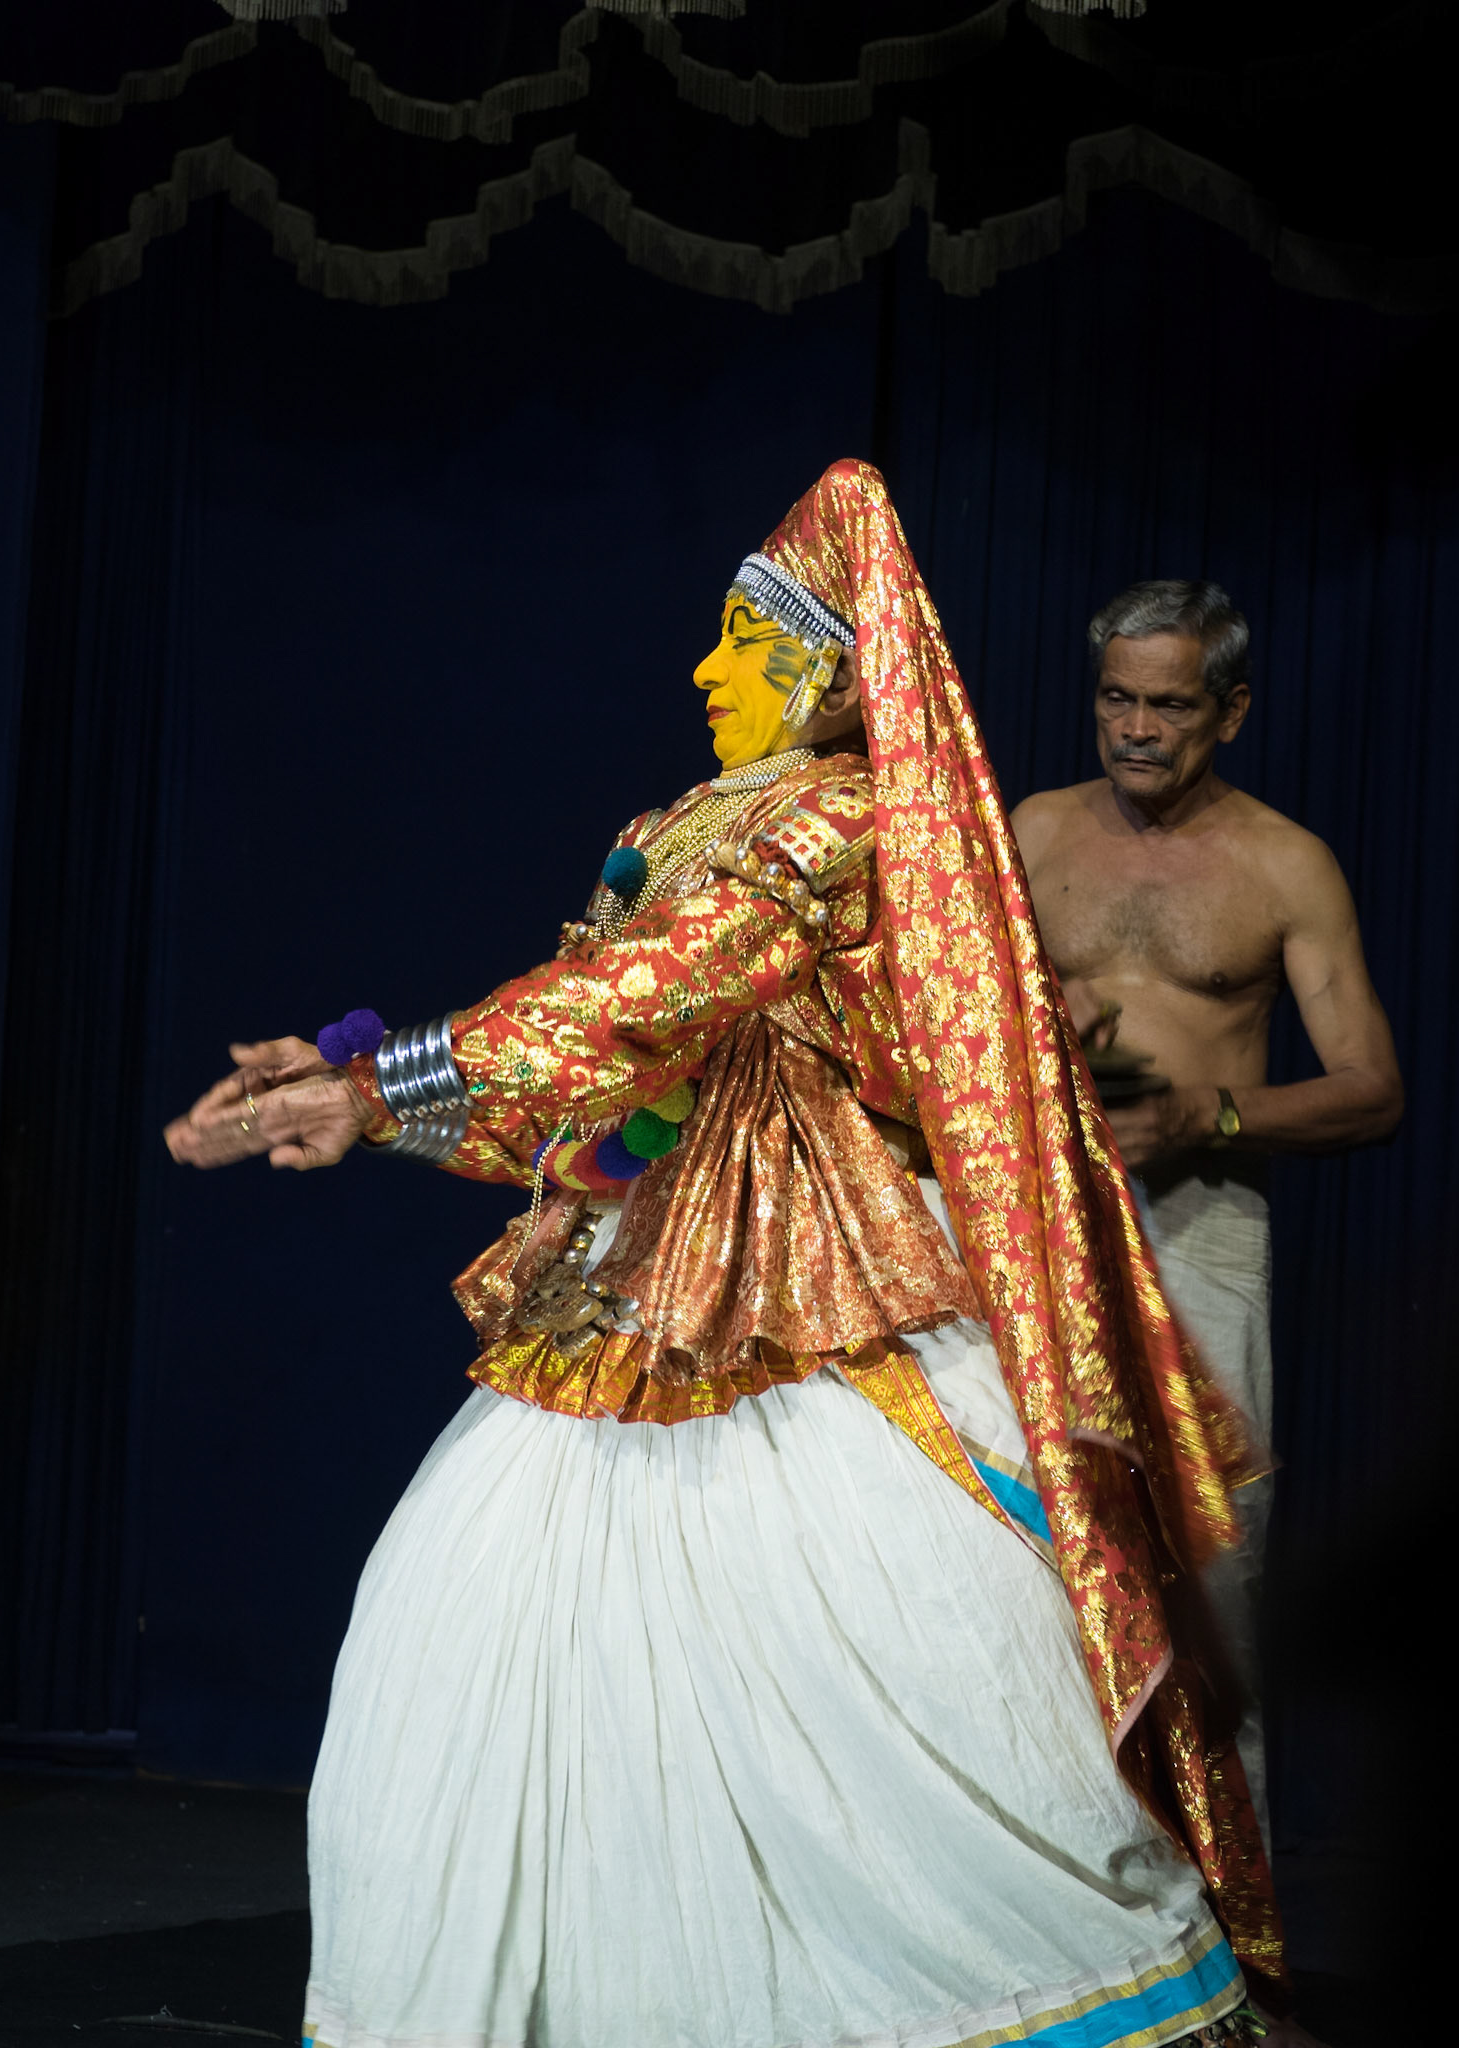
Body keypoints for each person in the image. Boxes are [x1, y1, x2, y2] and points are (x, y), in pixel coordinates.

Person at [168, 468, 1297, 2048]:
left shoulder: (837, 821)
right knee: (478, 1631)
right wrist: (370, 1100)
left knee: (869, 1675)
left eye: (745, 644)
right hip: (643, 1274)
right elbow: (599, 1070)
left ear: (835, 668)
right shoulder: (680, 823)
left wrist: (376, 1086)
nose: (707, 671)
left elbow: (668, 989)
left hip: (809, 1283)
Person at [1010, 580, 1404, 1845]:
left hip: (1202, 1229)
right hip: (1035, 1225)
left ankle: (1244, 1955)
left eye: (1169, 705)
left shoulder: (1287, 864)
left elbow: (1373, 1090)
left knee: (1212, 1587)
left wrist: (1208, 1119)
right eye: (1116, 698)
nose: (1135, 728)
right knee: (1017, 1562)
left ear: (1228, 710)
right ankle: (1077, 1944)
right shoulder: (1032, 831)